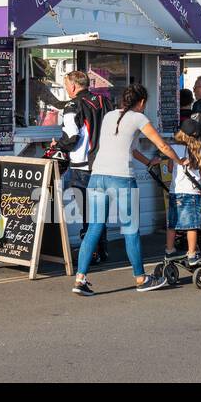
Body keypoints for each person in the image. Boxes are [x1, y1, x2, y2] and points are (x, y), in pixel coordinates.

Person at [72, 84, 178, 296]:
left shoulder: (110, 116)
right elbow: (163, 146)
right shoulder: (139, 118)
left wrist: (147, 162)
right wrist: (180, 160)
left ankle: (80, 279)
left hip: (97, 177)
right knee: (130, 229)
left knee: (94, 228)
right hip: (121, 179)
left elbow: (128, 147)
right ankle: (140, 278)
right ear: (141, 102)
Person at [56, 70, 112, 265]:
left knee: (87, 210)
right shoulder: (104, 101)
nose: (66, 90)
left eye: (65, 86)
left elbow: (71, 138)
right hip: (104, 163)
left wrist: (57, 146)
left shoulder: (73, 105)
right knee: (98, 209)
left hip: (82, 165)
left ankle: (92, 252)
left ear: (72, 86)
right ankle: (102, 249)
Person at [166, 129, 201, 265]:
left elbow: (169, 168)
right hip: (193, 192)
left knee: (172, 223)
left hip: (175, 191)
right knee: (192, 225)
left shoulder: (173, 148)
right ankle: (191, 253)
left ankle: (169, 250)